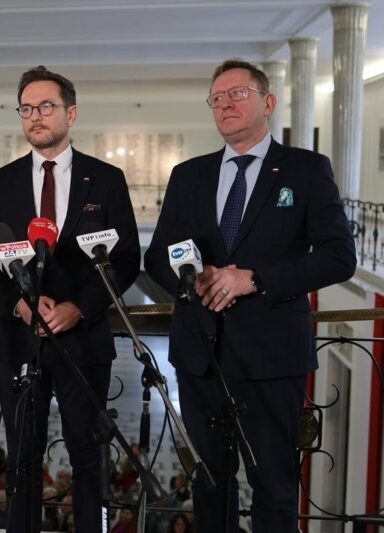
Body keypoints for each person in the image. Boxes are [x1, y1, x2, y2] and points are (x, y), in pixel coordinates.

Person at [144, 59, 356, 532]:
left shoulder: (305, 169)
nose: (225, 104)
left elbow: (340, 256)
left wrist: (253, 279)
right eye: (216, 98)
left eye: (237, 94)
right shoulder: (188, 175)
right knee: (209, 488)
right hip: (200, 357)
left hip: (272, 359)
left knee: (274, 488)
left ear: (268, 102)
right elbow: (157, 257)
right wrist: (192, 280)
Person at [0, 65, 141, 532]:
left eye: (45, 106)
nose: (35, 116)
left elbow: (126, 258)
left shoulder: (106, 179)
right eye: (26, 108)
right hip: (18, 339)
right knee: (23, 456)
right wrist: (18, 303)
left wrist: (79, 308)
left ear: (71, 112)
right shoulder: (1, 181)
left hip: (82, 338)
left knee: (88, 457)